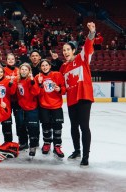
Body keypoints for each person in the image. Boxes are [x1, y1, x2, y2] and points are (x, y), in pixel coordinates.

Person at [60, 22, 96, 167]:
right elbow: (62, 85)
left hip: (84, 97)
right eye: (64, 50)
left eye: (68, 49)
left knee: (84, 126)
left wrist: (92, 33)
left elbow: (88, 46)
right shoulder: (63, 67)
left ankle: (86, 156)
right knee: (74, 126)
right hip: (71, 100)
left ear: (74, 50)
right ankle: (77, 151)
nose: (65, 52)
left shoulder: (82, 59)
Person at [35, 59, 66, 158]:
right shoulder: (37, 77)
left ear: (50, 66)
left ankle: (57, 146)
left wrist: (60, 89)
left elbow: (64, 90)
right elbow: (36, 93)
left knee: (57, 127)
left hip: (56, 106)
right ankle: (47, 144)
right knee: (46, 127)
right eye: (42, 66)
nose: (44, 67)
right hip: (44, 106)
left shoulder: (57, 75)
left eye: (46, 65)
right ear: (40, 67)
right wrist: (39, 84)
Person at [15, 63, 40, 157]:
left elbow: (36, 92)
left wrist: (33, 81)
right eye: (22, 69)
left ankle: (33, 146)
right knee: (21, 126)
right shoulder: (18, 80)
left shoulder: (31, 80)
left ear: (29, 71)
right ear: (20, 71)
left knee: (32, 128)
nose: (24, 71)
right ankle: (24, 143)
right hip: (22, 108)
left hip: (32, 108)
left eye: (26, 69)